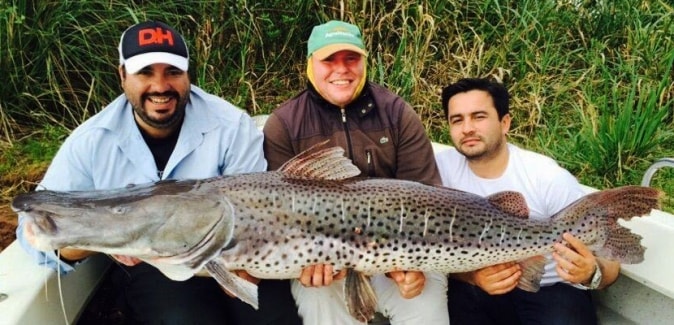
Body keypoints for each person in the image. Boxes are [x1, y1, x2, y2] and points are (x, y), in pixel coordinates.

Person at [16, 21, 301, 325]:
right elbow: (31, 232)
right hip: (153, 265)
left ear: (188, 75)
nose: (160, 86)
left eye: (173, 72)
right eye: (145, 72)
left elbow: (256, 212)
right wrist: (91, 242)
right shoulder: (90, 142)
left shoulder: (232, 126)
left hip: (238, 254)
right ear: (122, 75)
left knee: (277, 318)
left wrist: (241, 271)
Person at [263, 20, 449, 325]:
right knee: (317, 296)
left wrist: (411, 266)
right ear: (310, 65)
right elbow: (282, 215)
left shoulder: (398, 113)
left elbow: (426, 199)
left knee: (424, 305)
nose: (342, 69)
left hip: (402, 252)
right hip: (325, 262)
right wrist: (309, 265)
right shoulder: (283, 125)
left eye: (351, 58)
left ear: (364, 61)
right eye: (329, 60)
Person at [435, 77, 621, 324]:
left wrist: (591, 273)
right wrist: (472, 277)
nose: (467, 128)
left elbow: (611, 259)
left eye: (479, 117)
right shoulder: (439, 170)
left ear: (505, 123)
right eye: (457, 119)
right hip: (478, 287)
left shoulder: (546, 177)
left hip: (551, 289)